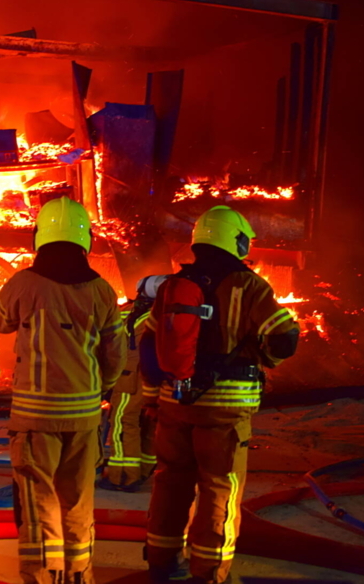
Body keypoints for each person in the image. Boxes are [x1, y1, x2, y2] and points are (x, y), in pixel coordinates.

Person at [144, 206, 300, 584]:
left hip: (174, 402)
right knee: (218, 488)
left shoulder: (171, 286)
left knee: (170, 480)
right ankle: (210, 573)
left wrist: (152, 395)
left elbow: (149, 343)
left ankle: (162, 562)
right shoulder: (249, 286)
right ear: (236, 240)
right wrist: (266, 358)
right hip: (225, 409)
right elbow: (286, 337)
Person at [0, 197, 127, 584]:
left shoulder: (25, 283)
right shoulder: (102, 291)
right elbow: (115, 354)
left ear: (40, 237)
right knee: (78, 501)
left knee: (40, 502)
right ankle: (79, 576)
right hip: (84, 416)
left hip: (36, 419)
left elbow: (0, 322)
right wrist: (104, 387)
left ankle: (43, 576)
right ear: (85, 241)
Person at [99, 274, 167, 491]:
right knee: (148, 423)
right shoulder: (171, 314)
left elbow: (106, 339)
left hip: (131, 377)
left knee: (123, 423)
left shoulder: (130, 312)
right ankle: (144, 470)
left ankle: (123, 477)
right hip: (158, 378)